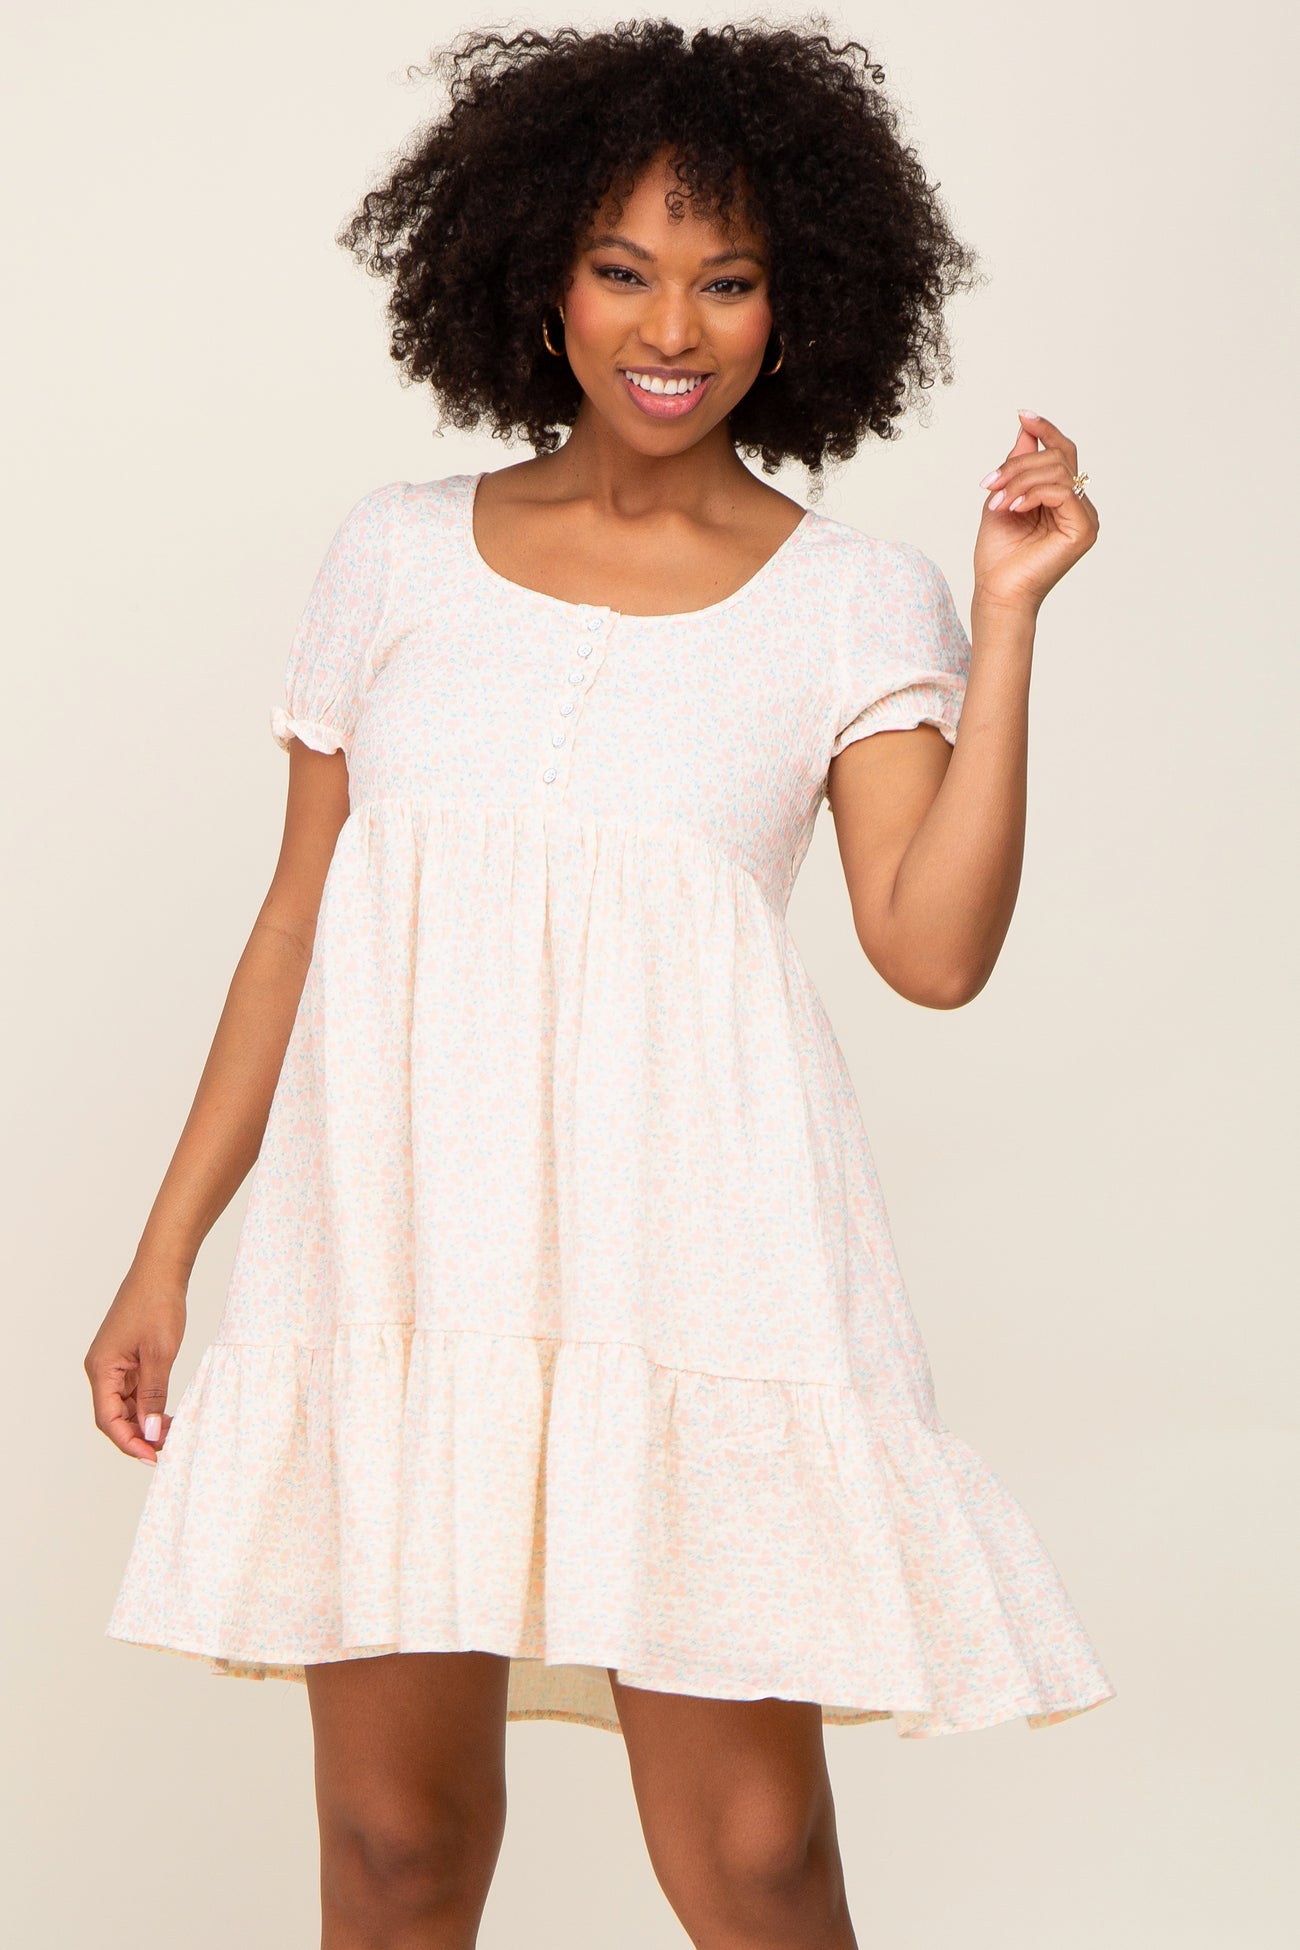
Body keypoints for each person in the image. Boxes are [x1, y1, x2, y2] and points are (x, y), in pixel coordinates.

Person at [87, 19, 1114, 1947]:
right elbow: (297, 919)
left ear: (797, 305)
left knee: (756, 1854)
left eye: (728, 279)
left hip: (693, 1275)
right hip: (402, 1260)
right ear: (539, 280)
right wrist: (167, 1253)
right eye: (624, 269)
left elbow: (934, 948)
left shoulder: (852, 599)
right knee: (395, 1846)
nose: (671, 326)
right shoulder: (394, 557)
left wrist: (1005, 616)